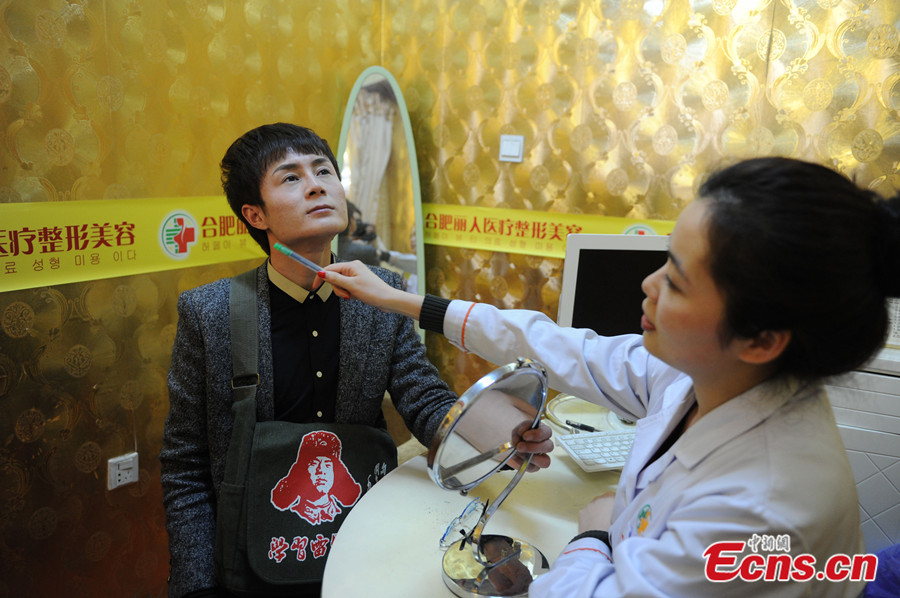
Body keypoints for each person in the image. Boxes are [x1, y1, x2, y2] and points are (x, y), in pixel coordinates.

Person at [320, 157, 900, 597]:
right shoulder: (704, 377)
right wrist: (409, 303)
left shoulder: (759, 511)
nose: (648, 284)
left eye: (676, 281)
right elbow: (563, 349)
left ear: (762, 338)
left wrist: (594, 536)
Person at [159, 123, 552, 598]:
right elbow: (186, 464)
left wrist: (495, 439)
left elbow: (423, 396)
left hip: (363, 533)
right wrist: (197, 585)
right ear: (255, 214)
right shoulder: (211, 312)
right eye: (291, 177)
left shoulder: (382, 293)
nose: (316, 185)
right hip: (255, 552)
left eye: (324, 171)